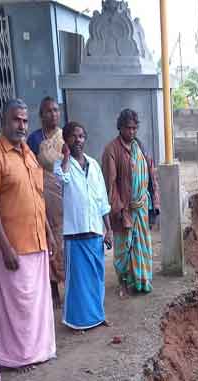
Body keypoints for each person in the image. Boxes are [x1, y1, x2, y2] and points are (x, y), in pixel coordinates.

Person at [0, 98, 56, 370]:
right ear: (4, 120)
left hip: (36, 240)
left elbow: (37, 196)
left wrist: (47, 231)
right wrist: (5, 246)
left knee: (36, 303)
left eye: (25, 120)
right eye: (16, 119)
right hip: (13, 245)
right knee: (17, 306)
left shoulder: (29, 153)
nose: (21, 125)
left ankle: (38, 351)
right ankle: (15, 357)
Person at [54, 121, 112, 330]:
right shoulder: (61, 165)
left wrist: (109, 229)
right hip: (75, 232)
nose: (77, 140)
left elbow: (102, 199)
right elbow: (62, 179)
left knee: (97, 277)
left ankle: (98, 315)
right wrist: (66, 157)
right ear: (66, 140)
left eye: (81, 136)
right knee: (77, 282)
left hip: (95, 230)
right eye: (73, 137)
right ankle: (76, 321)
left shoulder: (94, 165)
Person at [101, 109, 160, 297]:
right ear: (120, 127)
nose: (132, 132)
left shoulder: (140, 147)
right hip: (124, 208)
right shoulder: (112, 150)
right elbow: (111, 183)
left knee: (141, 246)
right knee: (123, 249)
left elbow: (151, 177)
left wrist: (155, 204)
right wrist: (118, 209)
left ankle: (141, 281)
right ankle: (123, 282)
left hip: (142, 207)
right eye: (128, 128)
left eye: (135, 128)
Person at [32, 98, 65, 308]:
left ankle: (69, 288)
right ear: (41, 115)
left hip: (64, 194)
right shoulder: (34, 139)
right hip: (44, 194)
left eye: (55, 110)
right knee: (49, 240)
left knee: (66, 241)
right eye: (48, 111)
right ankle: (52, 291)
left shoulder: (65, 136)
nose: (53, 114)